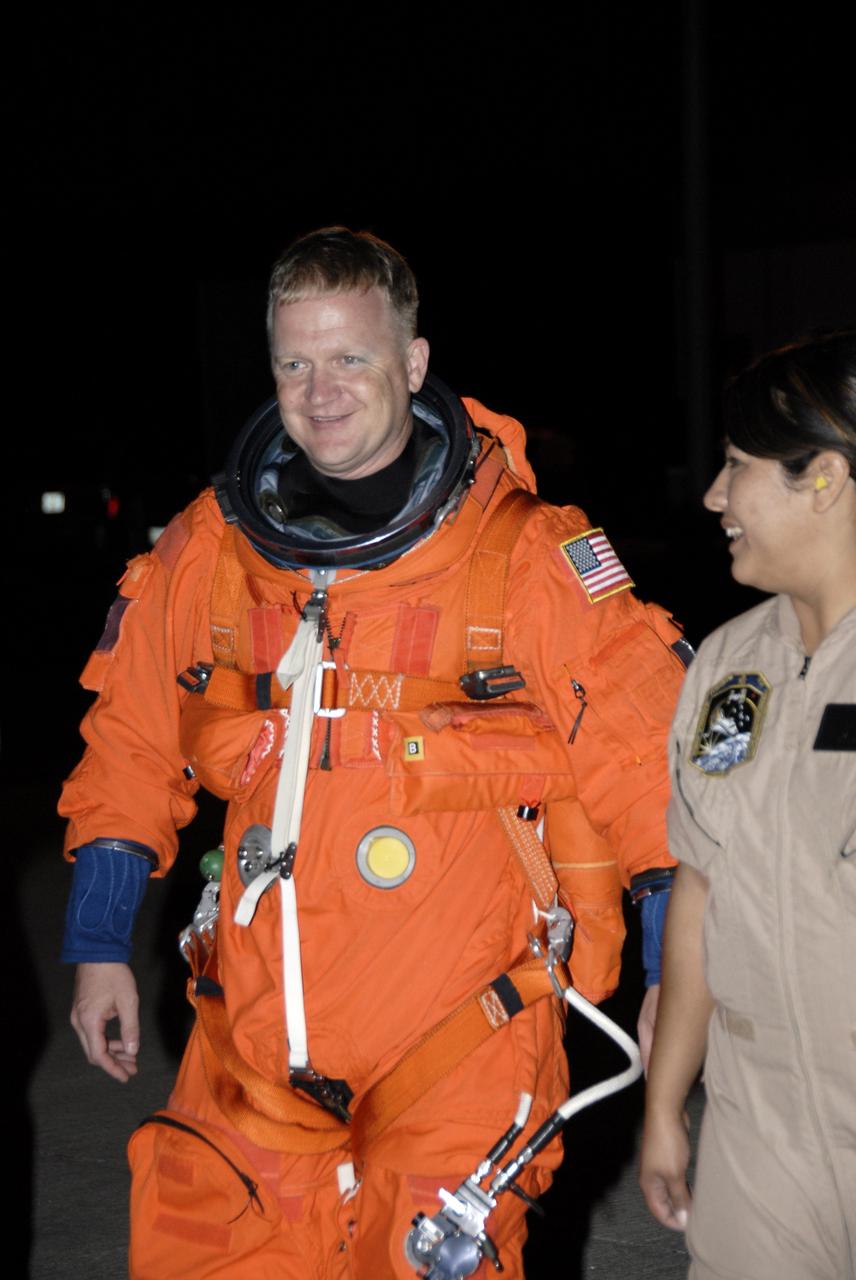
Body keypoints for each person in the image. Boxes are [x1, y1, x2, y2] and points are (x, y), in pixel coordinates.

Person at [60, 227, 687, 1279]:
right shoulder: (212, 552)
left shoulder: (521, 554)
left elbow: (648, 758)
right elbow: (129, 735)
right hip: (250, 1037)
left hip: (458, 1036)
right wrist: (96, 938)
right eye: (295, 362)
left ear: (412, 362)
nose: (320, 390)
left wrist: (676, 965)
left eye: (350, 356)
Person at [639, 330, 856, 1280]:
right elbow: (702, 888)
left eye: (737, 467)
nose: (714, 498)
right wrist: (664, 1107)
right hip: (759, 1133)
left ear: (826, 478)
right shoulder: (731, 670)